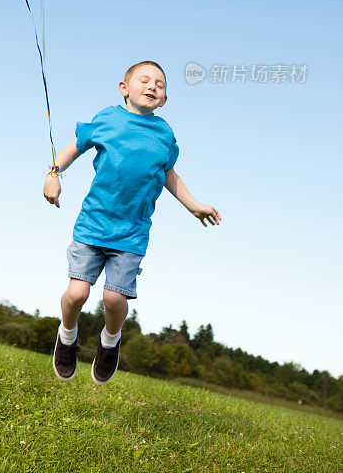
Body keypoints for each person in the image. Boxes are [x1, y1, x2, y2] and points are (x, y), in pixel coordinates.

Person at [43, 60, 222, 385]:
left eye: (160, 84)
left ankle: (110, 341)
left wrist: (194, 206)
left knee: (114, 299)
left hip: (131, 234)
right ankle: (67, 336)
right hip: (92, 226)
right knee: (77, 294)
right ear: (125, 88)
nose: (152, 86)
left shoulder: (164, 134)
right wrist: (53, 174)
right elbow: (72, 149)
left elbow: (168, 174)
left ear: (164, 100)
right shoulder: (107, 119)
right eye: (144, 80)